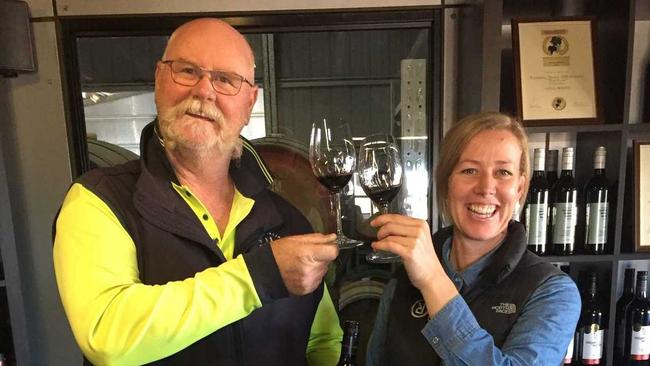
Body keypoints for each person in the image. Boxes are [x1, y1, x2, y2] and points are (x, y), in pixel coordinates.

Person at [53, 18, 342, 365]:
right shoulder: (100, 201)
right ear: (159, 80)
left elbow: (324, 340)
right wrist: (256, 277)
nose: (204, 90)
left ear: (250, 103)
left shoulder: (286, 218)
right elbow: (107, 334)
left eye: (225, 79)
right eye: (188, 71)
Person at [366, 112, 581, 365]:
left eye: (503, 172)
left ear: (520, 188)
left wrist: (433, 281)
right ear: (447, 183)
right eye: (469, 170)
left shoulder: (551, 291)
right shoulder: (402, 281)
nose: (486, 187)